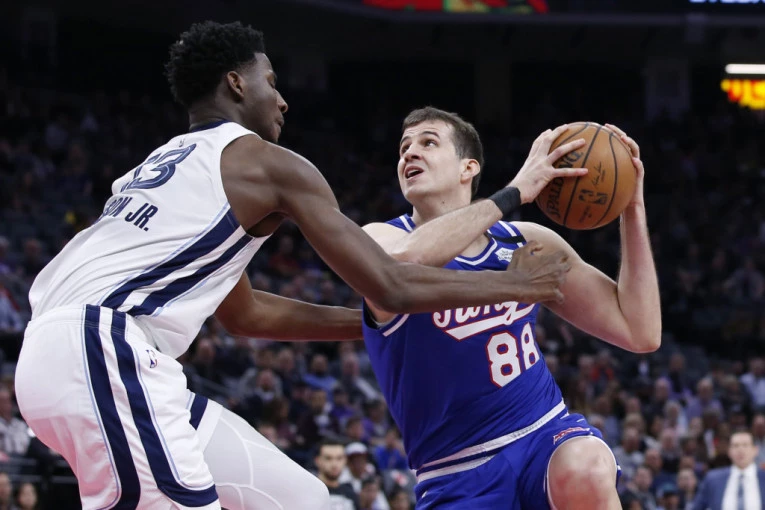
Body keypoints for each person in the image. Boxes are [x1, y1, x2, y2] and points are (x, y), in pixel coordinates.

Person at [13, 21, 576, 510]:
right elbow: (389, 283)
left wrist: (370, 327)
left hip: (83, 357)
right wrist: (511, 282)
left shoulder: (167, 165)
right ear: (237, 83)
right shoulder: (267, 164)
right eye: (271, 82)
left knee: (302, 498)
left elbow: (246, 314)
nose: (282, 101)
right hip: (103, 348)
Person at [361, 107, 661, 509]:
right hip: (454, 471)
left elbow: (640, 331)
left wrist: (631, 208)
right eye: (404, 148)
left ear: (468, 168)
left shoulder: (526, 242)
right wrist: (516, 191)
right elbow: (403, 267)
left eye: (428, 142)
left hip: (543, 436)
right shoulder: (381, 239)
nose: (409, 153)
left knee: (587, 468)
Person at [692, 430, 765, 510]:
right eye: (735, 446)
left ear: (755, 450)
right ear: (729, 451)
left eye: (745, 445)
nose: (740, 450)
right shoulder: (713, 479)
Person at [315, 440, 360, 510]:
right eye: (328, 458)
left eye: (339, 458)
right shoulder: (310, 492)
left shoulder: (351, 494)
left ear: (345, 460)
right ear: (318, 461)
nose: (334, 464)